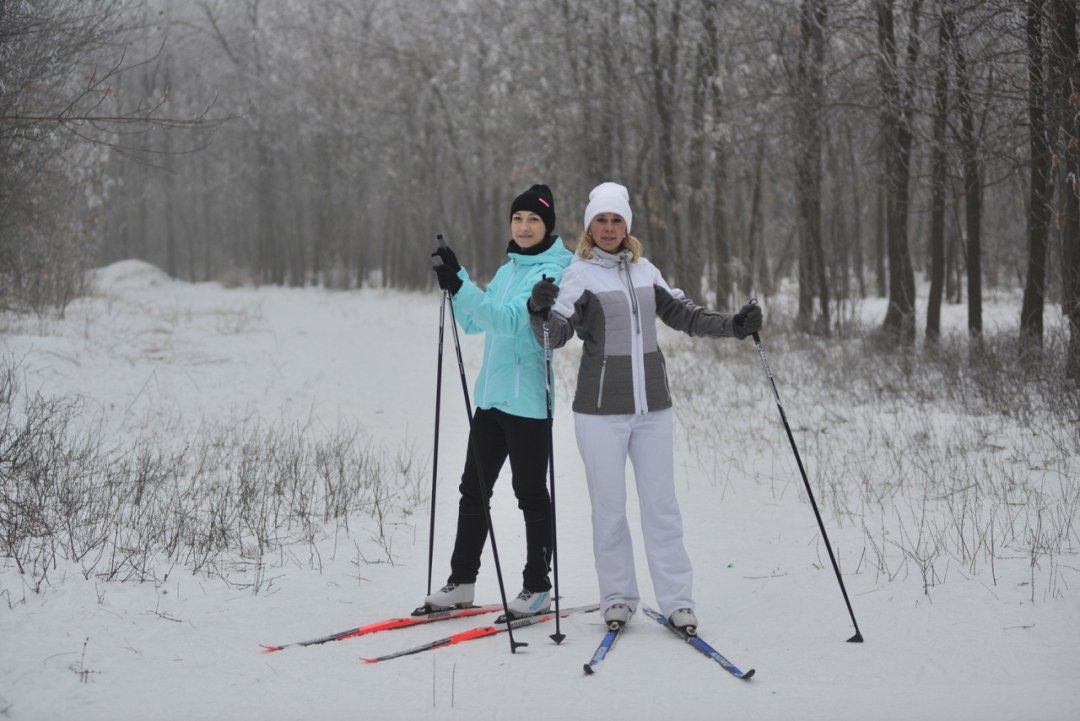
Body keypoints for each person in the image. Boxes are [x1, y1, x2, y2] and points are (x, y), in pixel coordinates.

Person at [527, 181, 762, 634]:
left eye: (617, 220)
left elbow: (687, 315)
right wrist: (538, 310)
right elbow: (553, 336)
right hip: (599, 413)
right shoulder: (579, 275)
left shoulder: (646, 272)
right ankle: (617, 597)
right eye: (602, 220)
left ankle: (677, 602)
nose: (610, 228)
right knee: (609, 509)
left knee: (662, 508)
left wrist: (733, 326)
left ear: (627, 226)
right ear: (589, 227)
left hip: (654, 409)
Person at [423, 184, 574, 618]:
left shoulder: (554, 272)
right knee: (473, 491)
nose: (524, 227)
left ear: (547, 226)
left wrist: (464, 287)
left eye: (533, 220)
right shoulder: (509, 271)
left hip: (528, 403)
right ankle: (462, 581)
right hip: (490, 399)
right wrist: (458, 283)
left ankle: (536, 586)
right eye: (518, 219)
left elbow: (510, 323)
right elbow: (476, 321)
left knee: (529, 494)